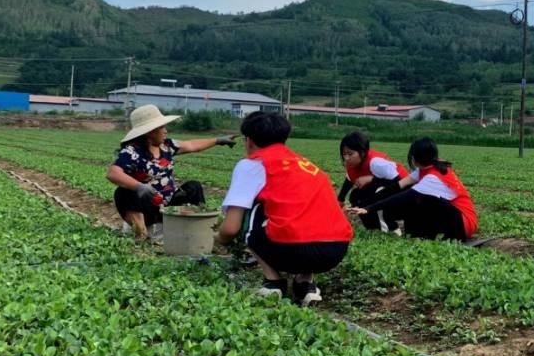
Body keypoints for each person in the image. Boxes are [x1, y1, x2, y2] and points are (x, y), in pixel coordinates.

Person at [215, 111, 353, 306]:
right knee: (307, 211)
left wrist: (219, 239)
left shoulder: (252, 164)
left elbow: (231, 228)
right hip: (335, 250)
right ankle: (305, 284)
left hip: (290, 251)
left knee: (251, 212)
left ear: (249, 141)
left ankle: (273, 282)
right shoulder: (308, 166)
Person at [106, 104, 236, 240]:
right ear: (150, 132)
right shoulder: (132, 152)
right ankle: (142, 233)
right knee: (123, 192)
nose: (166, 131)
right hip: (148, 208)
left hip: (169, 205)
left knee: (194, 187)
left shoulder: (167, 146)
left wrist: (218, 140)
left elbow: (192, 145)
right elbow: (113, 173)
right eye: (162, 127)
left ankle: (198, 228)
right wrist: (139, 187)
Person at [346, 138, 477, 241]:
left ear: (414, 159)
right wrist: (365, 205)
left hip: (463, 224)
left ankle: (424, 235)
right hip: (457, 219)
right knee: (413, 196)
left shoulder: (432, 177)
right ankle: (417, 235)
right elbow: (396, 187)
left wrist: (369, 208)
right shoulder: (427, 169)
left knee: (420, 200)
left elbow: (402, 197)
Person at [337, 131, 410, 234]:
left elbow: (399, 183)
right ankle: (373, 228)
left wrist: (371, 179)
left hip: (404, 195)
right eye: (344, 154)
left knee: (377, 192)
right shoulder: (352, 164)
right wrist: (340, 199)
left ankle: (392, 228)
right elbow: (349, 179)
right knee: (355, 196)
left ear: (362, 152)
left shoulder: (376, 163)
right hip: (386, 188)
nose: (347, 158)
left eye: (350, 153)